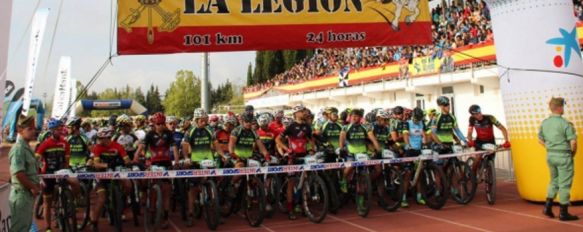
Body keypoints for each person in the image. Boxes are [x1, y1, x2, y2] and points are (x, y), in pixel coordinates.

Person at [134, 112, 180, 228]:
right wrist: (135, 157)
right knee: (153, 191)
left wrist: (177, 161)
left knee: (166, 191)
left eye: (162, 123)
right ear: (154, 124)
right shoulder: (149, 134)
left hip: (166, 163)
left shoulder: (168, 134)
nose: (161, 125)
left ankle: (165, 217)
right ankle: (152, 211)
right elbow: (141, 147)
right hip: (154, 162)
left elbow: (174, 147)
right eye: (158, 123)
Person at [539, 97, 578, 221]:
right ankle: (563, 213)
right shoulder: (565, 123)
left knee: (554, 181)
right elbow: (573, 142)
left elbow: (540, 139)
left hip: (550, 155)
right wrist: (572, 154)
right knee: (564, 184)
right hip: (563, 156)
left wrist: (550, 147)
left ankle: (548, 207)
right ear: (560, 108)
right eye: (563, 107)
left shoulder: (545, 123)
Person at [275, 105, 316, 220]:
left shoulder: (307, 126)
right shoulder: (291, 126)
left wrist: (312, 149)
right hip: (292, 157)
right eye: (302, 111)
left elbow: (310, 139)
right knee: (291, 183)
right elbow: (277, 139)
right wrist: (287, 149)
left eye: (304, 111)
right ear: (296, 113)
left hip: (304, 157)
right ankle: (290, 209)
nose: (304, 113)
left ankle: (303, 205)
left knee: (304, 181)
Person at [35, 118, 74, 232]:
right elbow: (36, 158)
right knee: (47, 202)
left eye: (61, 128)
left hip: (62, 173)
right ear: (52, 130)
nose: (61, 130)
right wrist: (38, 172)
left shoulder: (65, 142)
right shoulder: (45, 143)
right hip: (48, 174)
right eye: (58, 129)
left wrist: (67, 170)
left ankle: (72, 203)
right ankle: (48, 227)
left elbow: (67, 160)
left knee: (75, 183)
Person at [90, 128, 132, 231]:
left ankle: (121, 200)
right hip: (102, 176)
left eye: (101, 138)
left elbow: (127, 160)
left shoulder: (117, 146)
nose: (99, 140)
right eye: (98, 138)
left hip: (116, 174)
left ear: (107, 138)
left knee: (128, 185)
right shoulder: (97, 147)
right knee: (101, 199)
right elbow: (96, 164)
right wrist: (106, 165)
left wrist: (127, 162)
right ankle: (94, 223)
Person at [181, 108, 215, 227]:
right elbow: (184, 147)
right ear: (196, 120)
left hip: (208, 160)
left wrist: (222, 155)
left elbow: (215, 145)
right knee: (193, 190)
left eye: (205, 120)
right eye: (201, 120)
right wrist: (186, 158)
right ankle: (190, 214)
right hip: (194, 161)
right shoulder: (190, 131)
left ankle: (215, 213)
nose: (204, 122)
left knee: (213, 187)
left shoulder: (210, 130)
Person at [9, 116, 40, 232]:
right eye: (30, 129)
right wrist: (33, 187)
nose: (33, 131)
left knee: (25, 227)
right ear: (20, 130)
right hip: (21, 195)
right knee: (20, 229)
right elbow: (19, 173)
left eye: (34, 128)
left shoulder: (26, 147)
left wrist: (36, 184)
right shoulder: (18, 149)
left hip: (26, 195)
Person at [466, 104, 511, 173]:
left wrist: (506, 141)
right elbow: (469, 132)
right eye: (476, 114)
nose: (479, 115)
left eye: (479, 112)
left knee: (491, 161)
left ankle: (489, 175)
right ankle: (473, 174)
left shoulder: (490, 118)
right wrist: (470, 141)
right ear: (473, 115)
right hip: (479, 142)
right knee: (478, 158)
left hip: (491, 141)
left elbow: (503, 128)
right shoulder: (471, 119)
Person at [402, 107, 429, 207]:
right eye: (417, 119)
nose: (418, 121)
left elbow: (425, 134)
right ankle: (403, 198)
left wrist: (425, 141)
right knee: (408, 174)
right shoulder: (407, 123)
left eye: (419, 119)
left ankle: (419, 196)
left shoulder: (422, 123)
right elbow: (405, 135)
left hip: (419, 150)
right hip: (410, 150)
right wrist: (407, 144)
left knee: (419, 174)